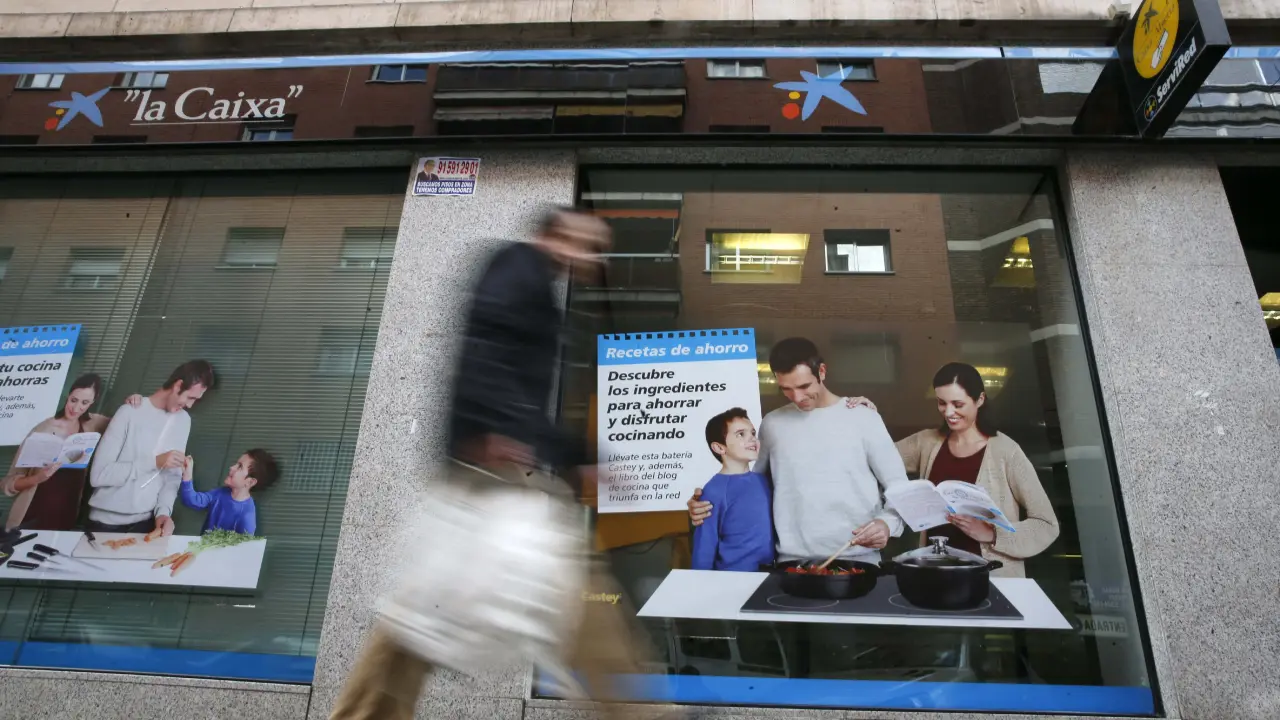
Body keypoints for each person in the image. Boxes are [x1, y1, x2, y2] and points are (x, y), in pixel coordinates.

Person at [330, 207, 667, 720]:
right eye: (586, 244)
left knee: (425, 611)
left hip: (496, 464)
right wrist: (494, 430)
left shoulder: (533, 280)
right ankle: (640, 713)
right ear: (554, 234)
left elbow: (494, 361)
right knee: (563, 596)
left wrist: (569, 455)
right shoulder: (519, 267)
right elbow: (484, 350)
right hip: (497, 470)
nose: (592, 259)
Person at [688, 337, 910, 564]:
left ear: (822, 371)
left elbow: (900, 488)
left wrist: (887, 524)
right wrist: (706, 504)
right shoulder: (772, 424)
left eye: (804, 386)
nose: (797, 397)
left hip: (859, 559)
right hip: (790, 563)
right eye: (786, 389)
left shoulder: (864, 418)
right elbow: (751, 487)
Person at [847, 362, 1059, 578]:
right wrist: (867, 419)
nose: (948, 412)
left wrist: (992, 533)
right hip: (932, 574)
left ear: (980, 400)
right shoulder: (925, 442)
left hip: (991, 579)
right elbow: (872, 459)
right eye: (942, 403)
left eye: (958, 404)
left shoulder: (1007, 452)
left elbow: (1046, 524)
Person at [87, 359, 215, 536]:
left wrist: (163, 512)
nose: (190, 405)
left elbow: (172, 476)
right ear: (178, 386)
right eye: (190, 397)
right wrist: (155, 462)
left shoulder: (183, 421)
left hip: (146, 525)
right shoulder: (129, 412)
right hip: (104, 525)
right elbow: (98, 476)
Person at [1, 374, 141, 531]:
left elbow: (127, 424)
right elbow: (7, 483)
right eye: (74, 400)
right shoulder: (42, 429)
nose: (76, 408)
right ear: (68, 395)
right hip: (32, 513)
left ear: (92, 402)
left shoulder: (95, 424)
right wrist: (37, 478)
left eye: (84, 403)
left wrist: (133, 402)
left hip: (68, 515)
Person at [690, 408, 773, 571]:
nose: (752, 439)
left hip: (770, 574)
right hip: (733, 576)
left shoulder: (763, 480)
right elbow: (704, 546)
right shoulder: (714, 490)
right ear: (719, 447)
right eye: (741, 434)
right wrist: (699, 582)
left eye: (753, 433)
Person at [178, 449, 279, 535]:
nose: (232, 467)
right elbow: (192, 500)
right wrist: (187, 474)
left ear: (250, 482)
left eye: (239, 467)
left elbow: (243, 547)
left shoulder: (246, 516)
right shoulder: (220, 493)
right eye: (236, 464)